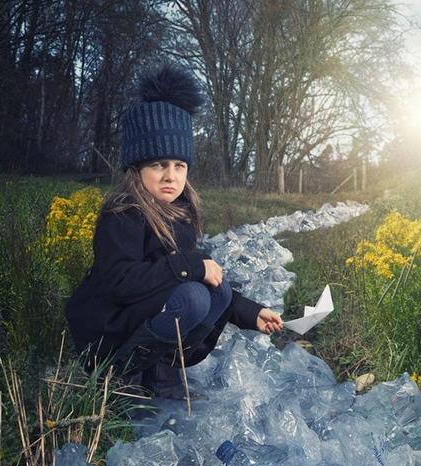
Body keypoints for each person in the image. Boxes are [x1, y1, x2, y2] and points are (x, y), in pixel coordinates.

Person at [65, 64, 283, 399]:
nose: (170, 176)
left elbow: (191, 278)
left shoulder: (180, 214)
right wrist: (190, 266)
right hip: (107, 331)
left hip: (140, 316)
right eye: (158, 164)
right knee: (192, 295)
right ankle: (122, 376)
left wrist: (253, 314)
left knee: (218, 290)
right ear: (136, 169)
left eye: (179, 166)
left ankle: (160, 373)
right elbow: (119, 283)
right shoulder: (122, 213)